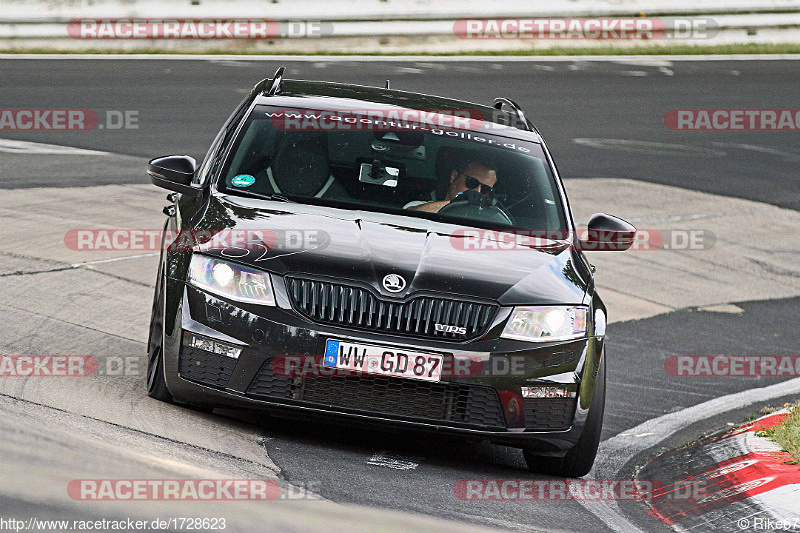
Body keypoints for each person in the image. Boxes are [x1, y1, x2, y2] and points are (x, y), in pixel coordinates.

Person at [405, 159, 497, 213]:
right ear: (454, 176)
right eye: (472, 183)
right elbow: (408, 217)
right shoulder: (419, 206)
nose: (477, 192)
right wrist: (460, 202)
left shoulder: (490, 220)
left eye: (486, 189)